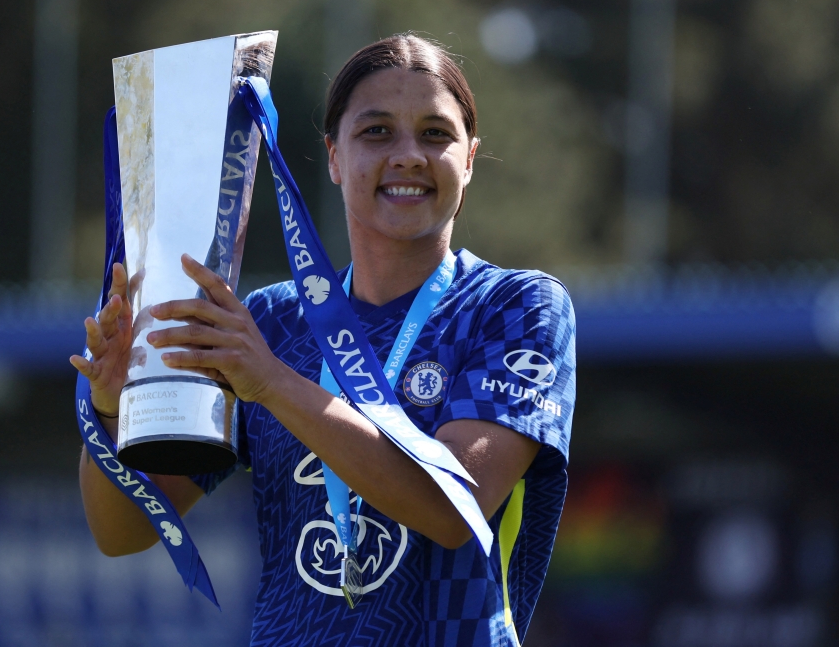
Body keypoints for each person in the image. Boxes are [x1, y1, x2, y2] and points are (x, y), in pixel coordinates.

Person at [72, 33, 576, 647]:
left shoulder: (515, 307)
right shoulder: (270, 324)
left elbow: (453, 510)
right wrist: (111, 406)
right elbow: (123, 532)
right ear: (333, 157)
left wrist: (273, 384)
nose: (409, 155)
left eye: (435, 134)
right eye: (377, 132)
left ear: (469, 159)